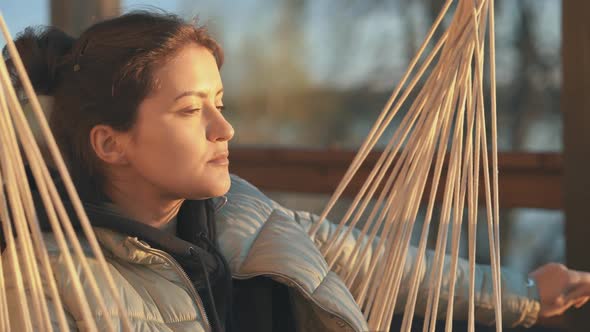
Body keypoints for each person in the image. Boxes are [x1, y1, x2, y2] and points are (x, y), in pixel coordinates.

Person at [2, 10, 590, 332]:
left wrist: (523, 294)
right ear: (111, 143)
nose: (223, 129)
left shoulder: (243, 216)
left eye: (220, 103)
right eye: (190, 110)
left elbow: (382, 264)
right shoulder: (43, 279)